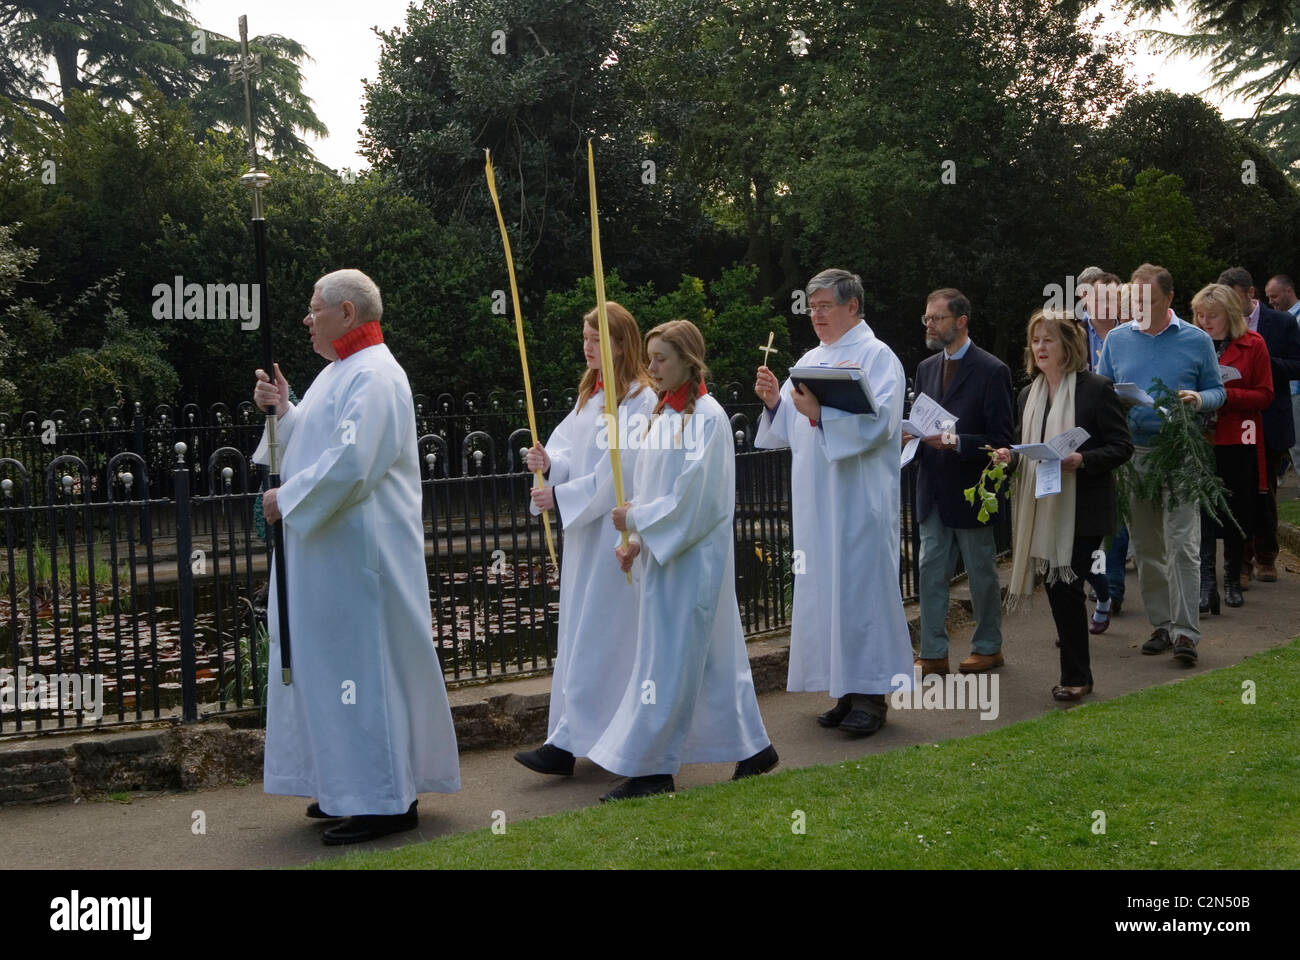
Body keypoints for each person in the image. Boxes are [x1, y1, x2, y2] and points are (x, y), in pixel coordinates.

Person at [252, 268, 460, 845]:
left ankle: (386, 800)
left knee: (363, 672)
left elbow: (352, 464)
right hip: (329, 558)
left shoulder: (376, 375)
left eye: (315, 307)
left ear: (347, 313)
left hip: (361, 560)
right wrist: (284, 409)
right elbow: (318, 440)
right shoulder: (337, 373)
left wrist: (285, 498)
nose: (306, 317)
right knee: (332, 672)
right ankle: (348, 786)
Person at [592, 319, 776, 801]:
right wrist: (636, 538)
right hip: (668, 553)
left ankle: (653, 768)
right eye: (650, 358)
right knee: (713, 658)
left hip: (693, 558)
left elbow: (697, 498)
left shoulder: (708, 417)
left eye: (661, 359)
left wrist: (638, 517)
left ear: (688, 360)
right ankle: (753, 747)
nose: (650, 368)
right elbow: (658, 485)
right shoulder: (665, 412)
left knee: (668, 660)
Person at [753, 269, 913, 735]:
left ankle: (872, 695)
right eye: (811, 306)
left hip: (859, 500)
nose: (815, 314)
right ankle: (844, 688)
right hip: (817, 501)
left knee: (862, 590)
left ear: (852, 307)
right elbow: (788, 427)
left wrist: (822, 413)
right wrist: (771, 404)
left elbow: (881, 424)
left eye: (824, 305)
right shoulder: (809, 358)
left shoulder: (878, 357)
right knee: (827, 590)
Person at [513, 303, 657, 776]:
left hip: (615, 533)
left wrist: (562, 494)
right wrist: (547, 462)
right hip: (585, 537)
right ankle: (570, 737)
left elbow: (623, 469)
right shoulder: (590, 395)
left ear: (620, 343)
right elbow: (568, 448)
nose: (587, 346)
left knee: (607, 636)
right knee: (580, 633)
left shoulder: (638, 400)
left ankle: (600, 738)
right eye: (584, 337)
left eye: (596, 338)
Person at [993, 310, 1132, 701]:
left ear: (1068, 345)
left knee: (1066, 583)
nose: (1040, 347)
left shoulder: (1096, 388)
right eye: (1035, 340)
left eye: (1048, 340)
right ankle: (1076, 672)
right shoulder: (1028, 394)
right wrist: (1010, 456)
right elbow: (1027, 449)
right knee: (1059, 587)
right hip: (1043, 505)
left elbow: (1121, 446)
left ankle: (1076, 676)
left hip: (1083, 507)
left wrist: (1082, 460)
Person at [1096, 263, 1225, 665]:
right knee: (1149, 546)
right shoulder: (1116, 340)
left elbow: (1218, 390)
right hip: (1136, 455)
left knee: (1184, 545)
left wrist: (1198, 400)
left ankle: (1186, 633)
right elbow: (1100, 392)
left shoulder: (1196, 339)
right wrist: (1116, 402)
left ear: (1169, 299)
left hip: (1181, 453)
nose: (1141, 309)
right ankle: (1162, 625)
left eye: (1149, 302)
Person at [907, 288, 1014, 676]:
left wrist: (956, 442)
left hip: (972, 488)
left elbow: (1002, 440)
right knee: (929, 572)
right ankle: (933, 653)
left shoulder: (992, 370)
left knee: (981, 574)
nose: (931, 325)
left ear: (961, 321)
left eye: (937, 318)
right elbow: (921, 423)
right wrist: (910, 439)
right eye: (927, 319)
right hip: (931, 487)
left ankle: (988, 647)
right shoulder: (925, 368)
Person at [1190, 284, 1272, 611]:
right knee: (1203, 513)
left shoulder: (1254, 344)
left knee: (1237, 512)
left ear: (1231, 315)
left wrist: (1225, 395)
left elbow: (1265, 394)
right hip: (1201, 439)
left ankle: (1234, 579)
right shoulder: (1191, 344)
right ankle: (1207, 585)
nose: (1204, 321)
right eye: (1199, 315)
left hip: (1239, 438)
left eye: (1212, 316)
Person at [1217, 267, 1300, 585]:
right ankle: (1242, 562)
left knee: (1266, 490)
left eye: (1234, 298)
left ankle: (1267, 555)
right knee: (1239, 489)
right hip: (1235, 419)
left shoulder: (1280, 322)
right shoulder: (1221, 328)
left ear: (1249, 293)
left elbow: (1297, 364)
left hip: (1270, 417)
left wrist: (1262, 362)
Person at [1077, 271, 1129, 630]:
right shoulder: (1072, 330)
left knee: (1116, 516)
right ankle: (1098, 588)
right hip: (1080, 435)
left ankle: (1114, 589)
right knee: (1085, 522)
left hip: (1119, 428)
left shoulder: (1132, 332)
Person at [1264, 274, 1300, 477]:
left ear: (1289, 291)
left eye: (1274, 296)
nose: (1271, 302)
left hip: (1296, 391)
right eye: (1269, 297)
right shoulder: (1277, 320)